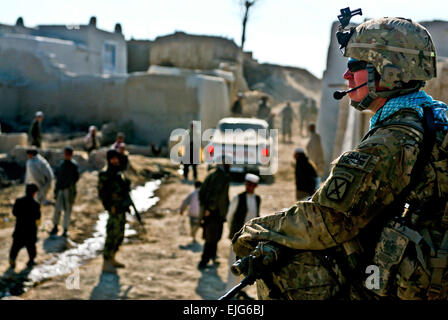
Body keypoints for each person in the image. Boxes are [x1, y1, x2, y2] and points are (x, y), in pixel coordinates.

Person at [232, 15, 448, 300]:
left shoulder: (391, 141)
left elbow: (326, 220)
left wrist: (255, 230)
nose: (346, 76)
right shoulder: (432, 118)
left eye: (355, 67)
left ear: (388, 72)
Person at [226, 173, 261, 298]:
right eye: (248, 184)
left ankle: (241, 291)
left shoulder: (257, 199)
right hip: (238, 238)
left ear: (255, 186)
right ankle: (230, 292)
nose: (249, 187)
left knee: (246, 265)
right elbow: (229, 216)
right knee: (234, 264)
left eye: (252, 185)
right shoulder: (238, 198)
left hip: (250, 239)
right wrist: (233, 233)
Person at [98, 149, 131, 273]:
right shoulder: (105, 174)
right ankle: (106, 261)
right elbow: (102, 194)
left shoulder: (119, 172)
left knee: (120, 234)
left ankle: (112, 258)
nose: (115, 160)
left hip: (121, 207)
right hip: (113, 209)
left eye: (116, 158)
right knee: (112, 233)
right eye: (112, 158)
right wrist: (109, 206)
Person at [197, 154, 231, 269]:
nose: (230, 165)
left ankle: (212, 256)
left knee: (215, 237)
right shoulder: (219, 176)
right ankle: (204, 261)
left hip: (216, 213)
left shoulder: (217, 174)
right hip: (213, 213)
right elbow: (213, 195)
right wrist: (209, 209)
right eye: (228, 163)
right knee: (210, 238)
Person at [9, 184, 41, 270]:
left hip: (19, 228)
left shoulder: (19, 201)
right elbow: (38, 217)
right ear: (34, 193)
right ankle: (31, 260)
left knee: (15, 246)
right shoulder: (36, 204)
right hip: (30, 230)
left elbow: (14, 212)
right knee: (31, 247)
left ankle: (12, 259)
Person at [50, 147, 79, 238]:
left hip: (68, 190)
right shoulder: (62, 164)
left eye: (68, 154)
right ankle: (55, 226)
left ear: (71, 155)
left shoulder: (73, 165)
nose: (66, 155)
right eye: (65, 154)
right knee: (57, 209)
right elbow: (58, 178)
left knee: (67, 210)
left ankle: (65, 229)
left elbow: (75, 178)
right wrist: (56, 190)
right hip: (60, 189)